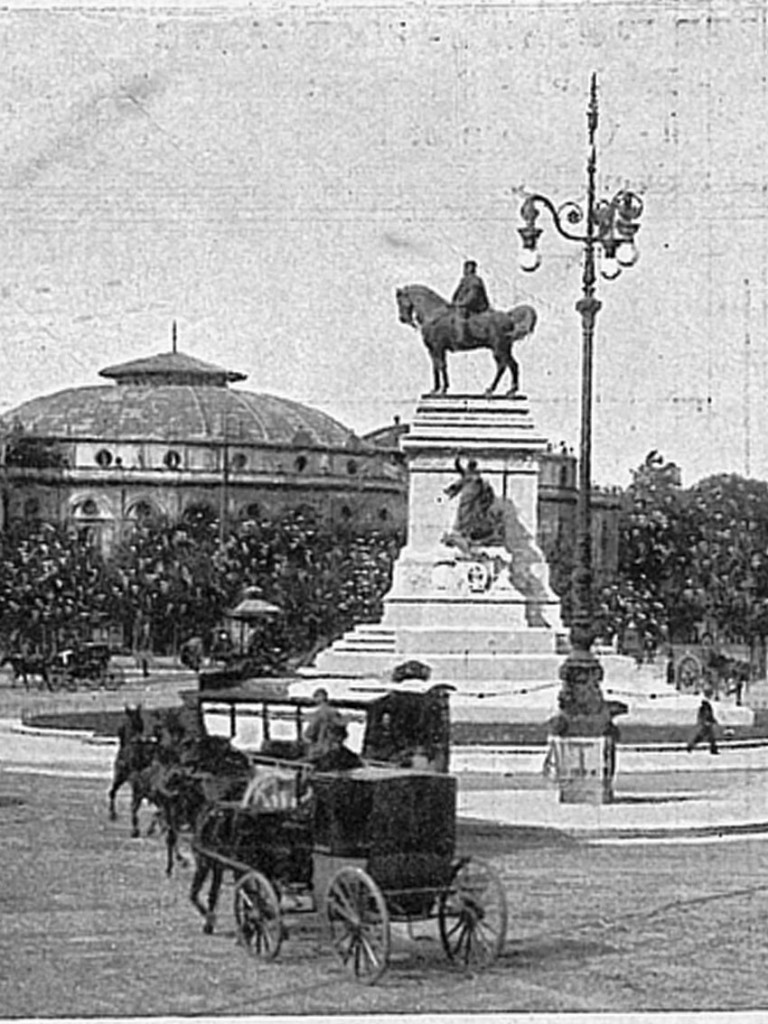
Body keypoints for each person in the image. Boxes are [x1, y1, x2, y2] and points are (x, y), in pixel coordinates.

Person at [451, 259, 490, 346]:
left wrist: (461, 303)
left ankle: (462, 336)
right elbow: (458, 292)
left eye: (467, 268)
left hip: (476, 306)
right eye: (464, 268)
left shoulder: (475, 281)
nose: (464, 270)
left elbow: (473, 296)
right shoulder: (464, 280)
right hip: (465, 304)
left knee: (461, 314)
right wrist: (454, 301)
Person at [303, 687, 346, 761]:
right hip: (336, 750)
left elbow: (309, 733)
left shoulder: (319, 714)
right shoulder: (335, 712)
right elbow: (344, 733)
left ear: (320, 698)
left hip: (321, 750)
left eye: (315, 697)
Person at [686, 689, 719, 755]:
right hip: (705, 724)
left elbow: (708, 714)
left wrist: (713, 720)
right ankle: (690, 746)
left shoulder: (706, 705)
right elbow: (705, 714)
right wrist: (707, 721)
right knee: (703, 737)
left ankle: (713, 749)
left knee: (710, 737)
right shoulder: (705, 705)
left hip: (706, 724)